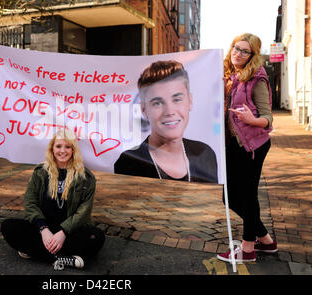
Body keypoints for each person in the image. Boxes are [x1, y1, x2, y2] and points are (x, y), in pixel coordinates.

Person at [1, 129, 105, 270]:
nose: (63, 151)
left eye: (68, 147)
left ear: (74, 150)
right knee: (8, 227)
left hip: (70, 231)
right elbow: (30, 202)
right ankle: (68, 259)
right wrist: (44, 230)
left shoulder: (85, 177)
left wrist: (62, 233)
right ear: (52, 149)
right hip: (45, 229)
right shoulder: (41, 172)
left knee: (96, 236)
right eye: (58, 146)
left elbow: (83, 212)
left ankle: (36, 252)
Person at [217, 33, 277, 263]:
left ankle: (248, 249)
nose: (237, 53)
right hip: (232, 145)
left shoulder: (257, 79)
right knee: (228, 196)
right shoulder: (227, 76)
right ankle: (266, 240)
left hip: (253, 145)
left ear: (252, 55)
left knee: (248, 196)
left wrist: (252, 120)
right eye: (235, 48)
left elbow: (268, 117)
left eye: (244, 51)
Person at [114, 60, 218, 183]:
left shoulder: (205, 154)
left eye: (177, 99)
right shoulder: (129, 162)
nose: (169, 111)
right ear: (144, 110)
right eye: (157, 103)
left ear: (190, 101)